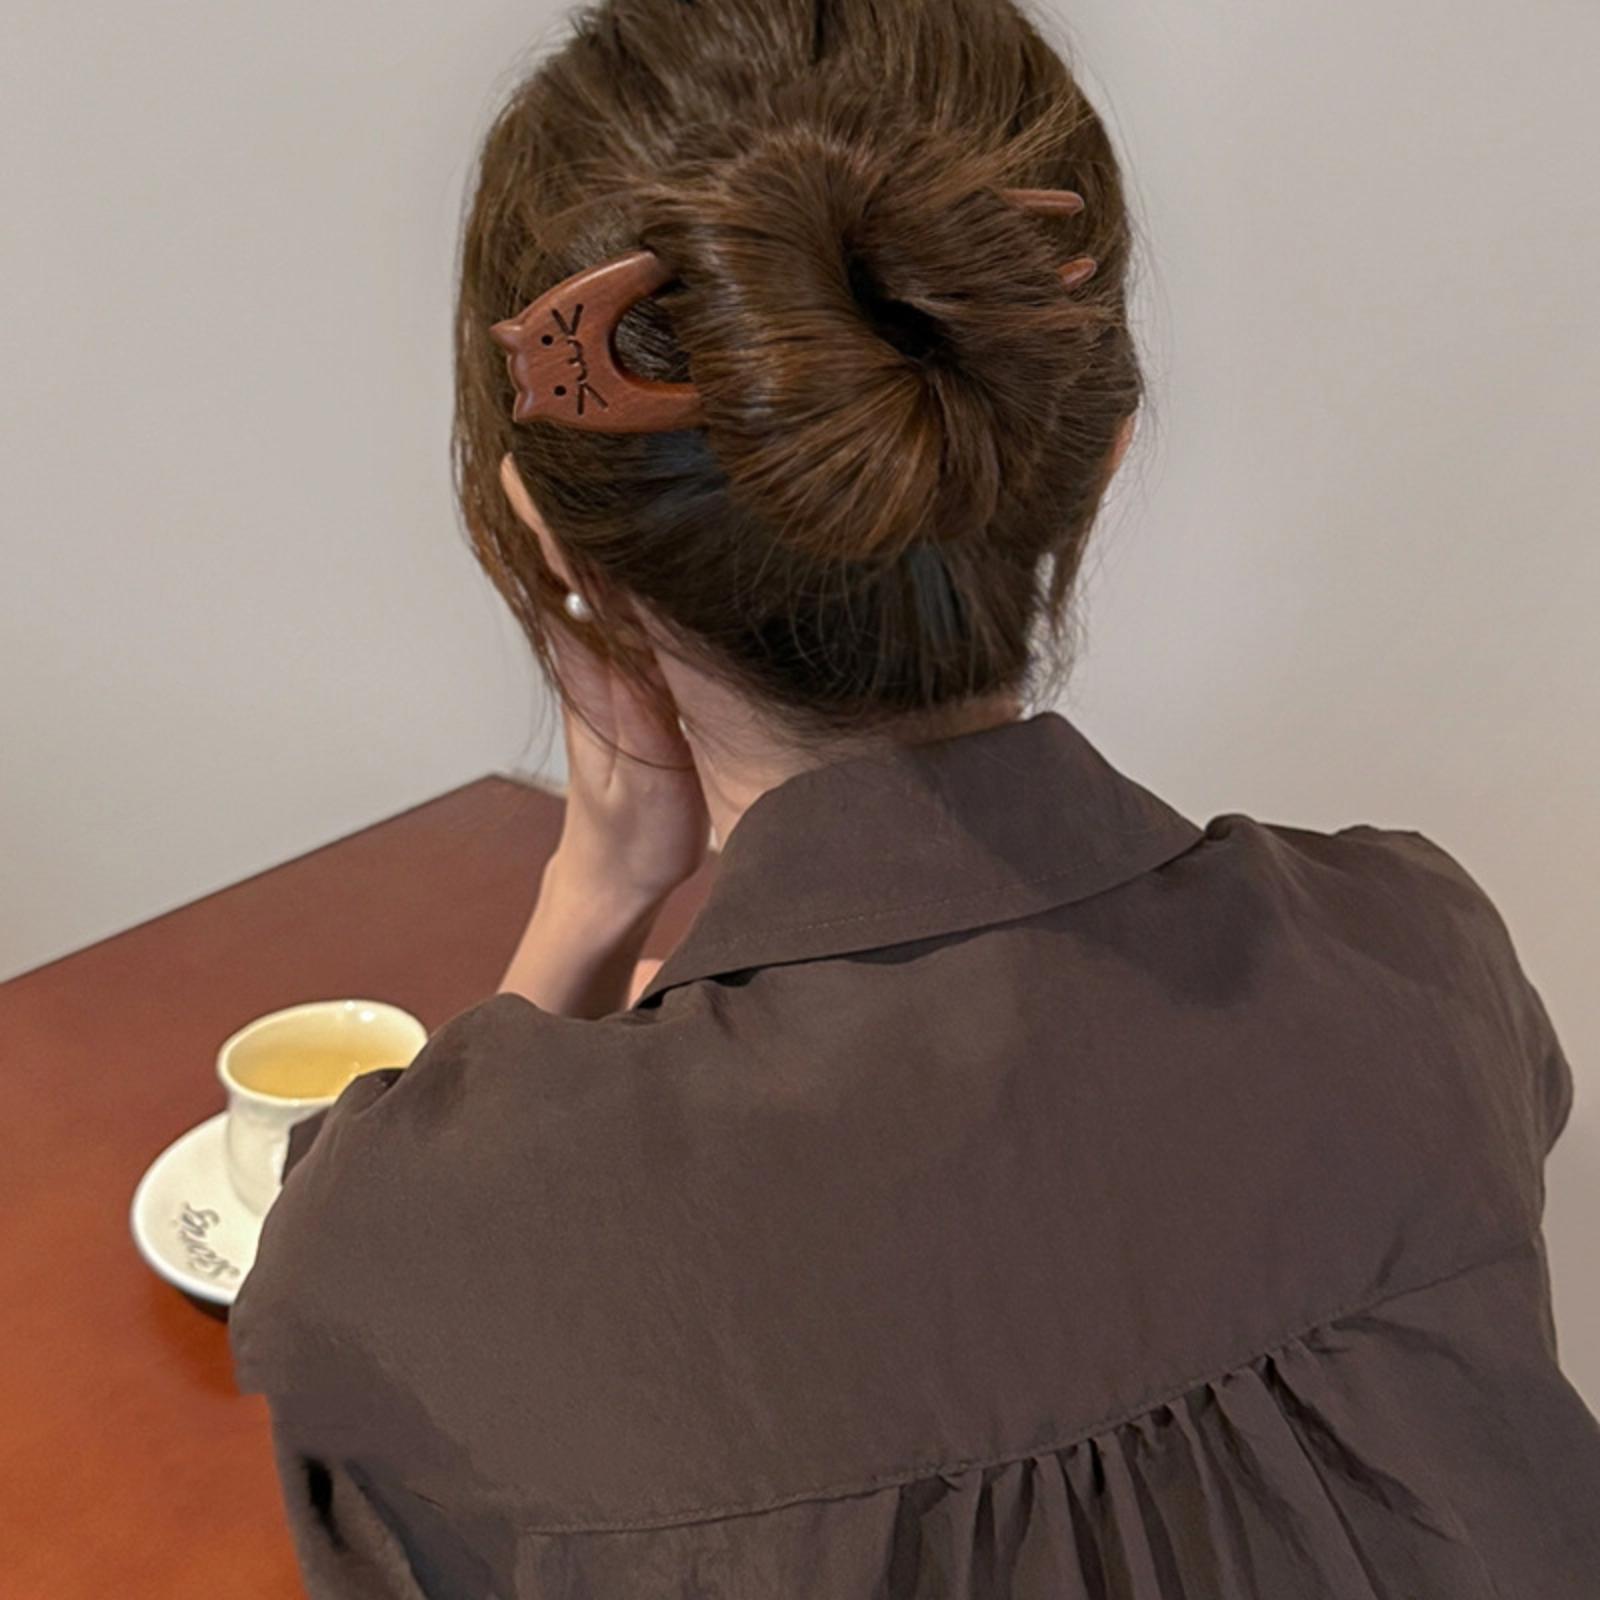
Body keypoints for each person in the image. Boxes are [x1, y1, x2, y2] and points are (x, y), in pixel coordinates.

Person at [227, 1, 1600, 1594]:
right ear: (1098, 455)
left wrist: (594, 891)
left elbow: (360, 1344)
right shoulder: (1422, 966)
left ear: (553, 541)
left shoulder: (430, 1249)